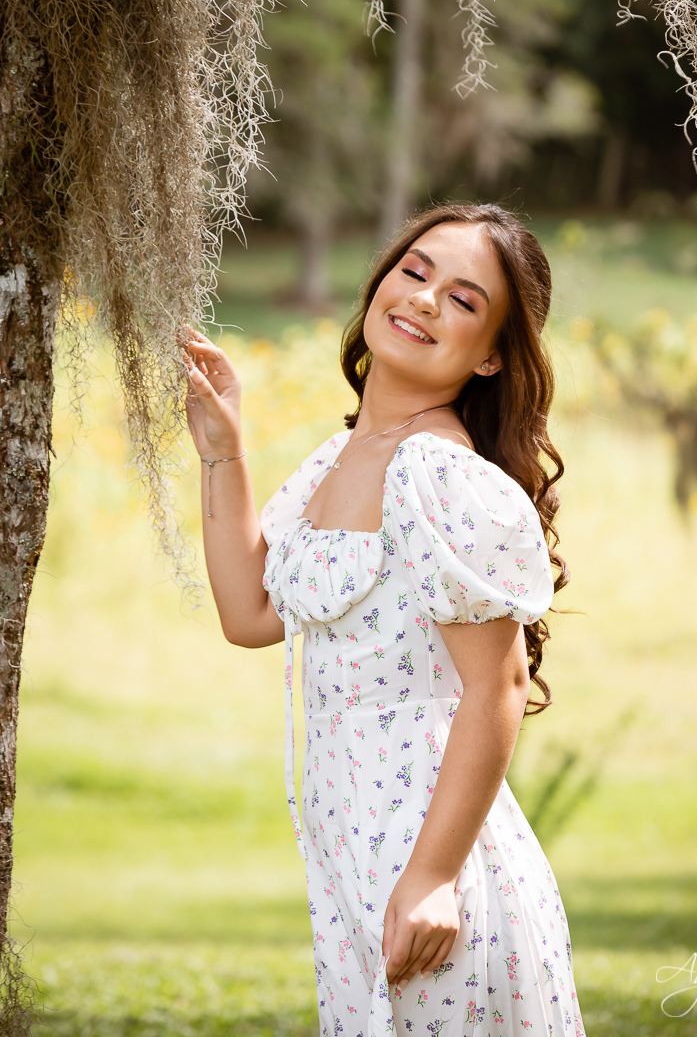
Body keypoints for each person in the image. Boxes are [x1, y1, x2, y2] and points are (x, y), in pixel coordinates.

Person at [182, 202, 585, 1036]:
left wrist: (434, 876)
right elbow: (251, 612)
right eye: (416, 271)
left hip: (435, 863)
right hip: (352, 852)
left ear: (490, 360)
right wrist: (225, 448)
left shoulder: (440, 475)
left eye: (466, 301)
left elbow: (499, 685)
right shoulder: (341, 457)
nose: (428, 299)